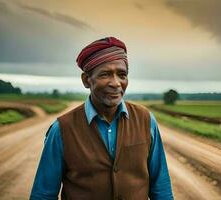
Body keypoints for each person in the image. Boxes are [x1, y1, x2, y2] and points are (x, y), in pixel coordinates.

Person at [30, 37, 174, 200]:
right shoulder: (62, 129)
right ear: (86, 80)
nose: (116, 83)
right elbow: (43, 195)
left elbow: (161, 188)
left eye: (122, 75)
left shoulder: (146, 120)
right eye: (105, 74)